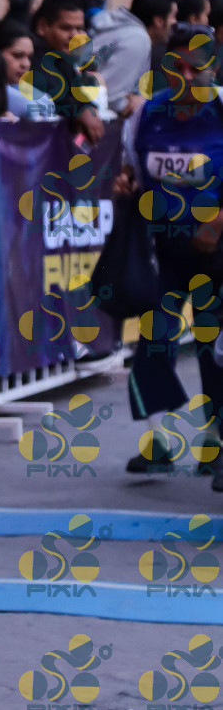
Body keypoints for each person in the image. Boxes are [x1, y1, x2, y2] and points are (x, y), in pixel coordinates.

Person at [116, 40, 223, 482]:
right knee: (154, 341)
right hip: (161, 249)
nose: (188, 76)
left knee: (214, 349)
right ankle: (157, 442)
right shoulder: (146, 115)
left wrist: (218, 224)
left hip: (216, 252)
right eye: (179, 67)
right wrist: (126, 184)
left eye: (197, 68)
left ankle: (214, 445)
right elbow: (132, 169)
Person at [30, 0, 105, 143]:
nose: (75, 36)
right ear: (42, 27)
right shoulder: (29, 55)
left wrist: (87, 107)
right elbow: (52, 93)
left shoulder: (64, 58)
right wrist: (82, 109)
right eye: (66, 28)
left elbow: (75, 94)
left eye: (79, 29)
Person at [130, 0, 177, 78]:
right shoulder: (136, 45)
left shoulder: (134, 40)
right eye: (173, 16)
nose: (175, 22)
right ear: (159, 21)